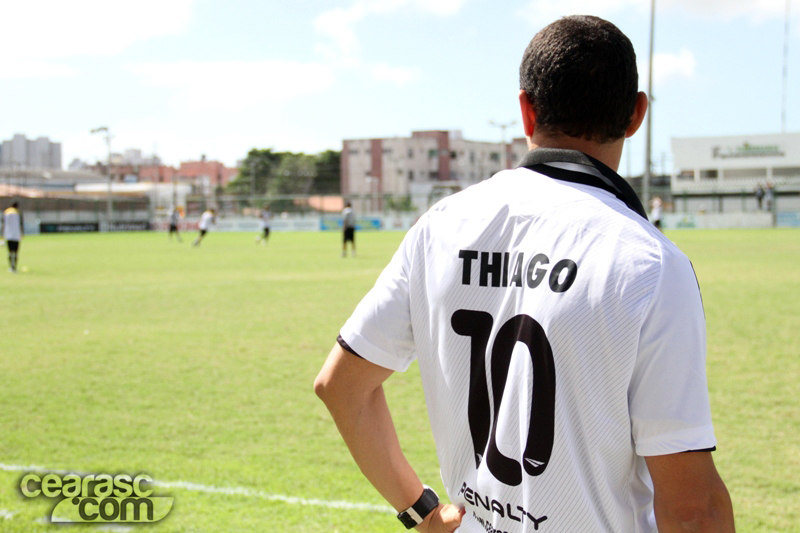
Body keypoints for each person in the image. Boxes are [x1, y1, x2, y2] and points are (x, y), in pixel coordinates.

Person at [315, 15, 734, 533]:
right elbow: (693, 509)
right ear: (636, 115)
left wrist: (420, 510)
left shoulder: (441, 227)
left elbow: (340, 385)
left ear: (525, 109)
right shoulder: (648, 264)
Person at [3, 201, 23, 273]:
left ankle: (11, 267)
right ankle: (14, 267)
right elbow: (21, 224)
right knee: (15, 252)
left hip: (8, 235)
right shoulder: (18, 213)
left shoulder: (6, 212)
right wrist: (22, 233)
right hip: (16, 235)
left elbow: (4, 224)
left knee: (10, 252)